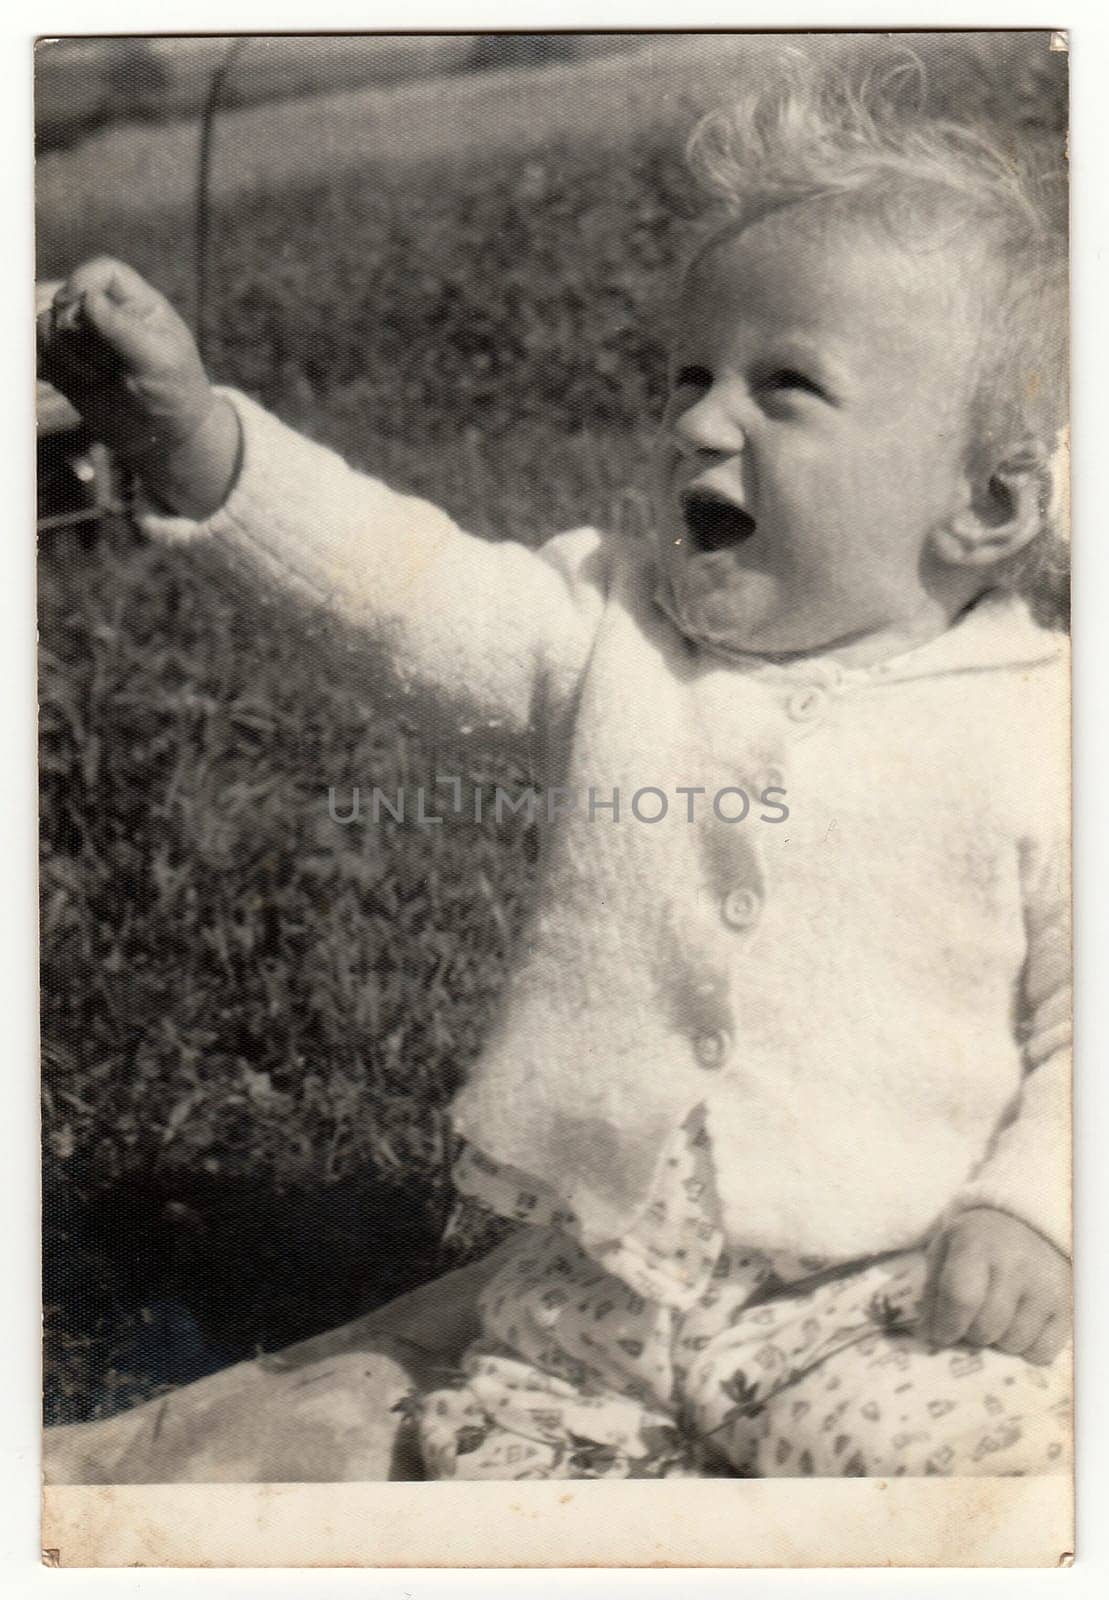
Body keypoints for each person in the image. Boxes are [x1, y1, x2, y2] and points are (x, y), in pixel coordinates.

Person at [39, 51, 1071, 1480]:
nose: (699, 423)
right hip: (591, 1301)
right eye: (688, 377)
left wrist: (1032, 1208)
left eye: (784, 387)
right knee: (482, 1474)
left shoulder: (1044, 730)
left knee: (988, 1467)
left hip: (875, 1289)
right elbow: (401, 591)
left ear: (986, 501)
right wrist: (202, 443)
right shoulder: (613, 636)